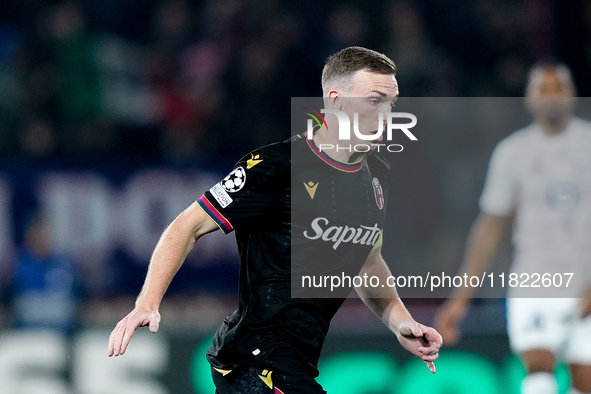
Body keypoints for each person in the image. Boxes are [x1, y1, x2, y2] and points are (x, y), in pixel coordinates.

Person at [108, 46, 442, 393]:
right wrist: (146, 304)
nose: (387, 115)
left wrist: (401, 322)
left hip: (294, 363)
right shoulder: (275, 166)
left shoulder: (377, 174)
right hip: (253, 361)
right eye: (374, 101)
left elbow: (367, 262)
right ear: (336, 100)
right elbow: (188, 224)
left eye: (392, 104)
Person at [434, 63, 591, 394]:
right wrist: (460, 300)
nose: (550, 97)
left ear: (572, 95)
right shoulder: (512, 153)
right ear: (529, 99)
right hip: (535, 281)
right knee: (539, 371)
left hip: (585, 277)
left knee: (585, 380)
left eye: (557, 88)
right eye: (542, 89)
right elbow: (489, 228)